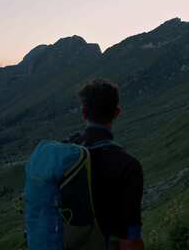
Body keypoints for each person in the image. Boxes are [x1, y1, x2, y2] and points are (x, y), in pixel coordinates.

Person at [66, 79, 144, 250]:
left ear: (84, 114)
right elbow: (130, 238)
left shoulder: (64, 155)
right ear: (117, 112)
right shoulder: (127, 166)